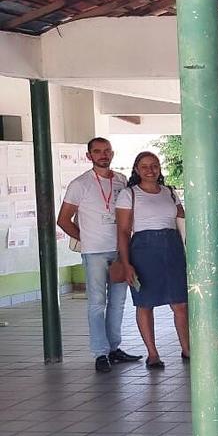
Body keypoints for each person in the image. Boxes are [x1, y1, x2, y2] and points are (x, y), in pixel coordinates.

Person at [57, 137, 142, 372]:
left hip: (120, 250)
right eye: (97, 151)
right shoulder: (80, 184)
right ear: (89, 156)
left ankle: (114, 348)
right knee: (96, 303)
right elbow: (63, 220)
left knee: (118, 302)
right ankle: (100, 353)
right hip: (94, 252)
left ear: (112, 153)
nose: (103, 155)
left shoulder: (121, 180)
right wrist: (85, 239)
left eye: (107, 151)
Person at [114, 152, 189, 369]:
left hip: (173, 249)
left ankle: (187, 348)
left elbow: (183, 220)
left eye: (154, 165)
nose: (150, 170)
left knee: (180, 303)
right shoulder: (129, 194)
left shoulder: (170, 192)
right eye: (145, 166)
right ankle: (152, 353)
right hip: (143, 252)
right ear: (136, 169)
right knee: (145, 303)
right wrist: (126, 263)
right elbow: (123, 232)